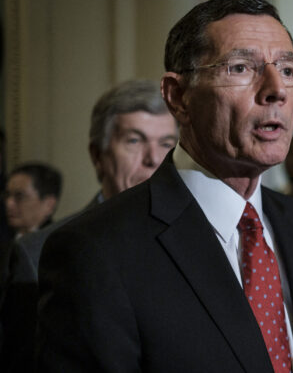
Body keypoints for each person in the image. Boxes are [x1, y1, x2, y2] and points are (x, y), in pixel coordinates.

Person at [36, 0, 293, 372]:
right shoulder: (96, 251)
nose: (276, 89)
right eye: (241, 67)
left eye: (288, 70)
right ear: (178, 97)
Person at [0, 80, 178, 372]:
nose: (154, 159)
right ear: (98, 156)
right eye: (134, 141)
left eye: (166, 144)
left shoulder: (206, 240)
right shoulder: (36, 254)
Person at [3, 163, 62, 238]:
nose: (9, 203)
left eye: (19, 196)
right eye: (7, 195)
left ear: (49, 204)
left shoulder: (59, 244)